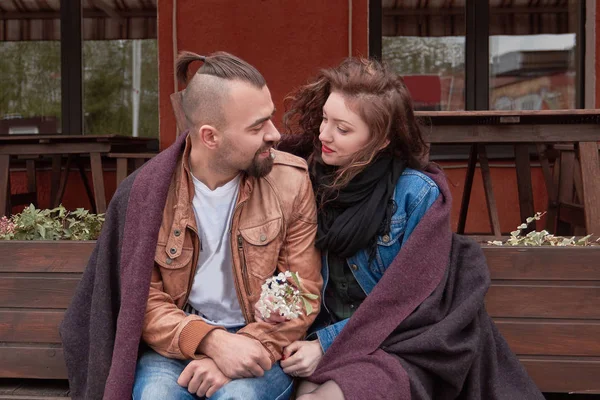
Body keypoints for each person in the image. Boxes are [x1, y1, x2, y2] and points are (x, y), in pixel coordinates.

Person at [264, 58, 545, 400]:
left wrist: (325, 345)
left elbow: (410, 305)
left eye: (343, 128)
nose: (324, 135)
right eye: (325, 119)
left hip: (398, 347)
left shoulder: (415, 195)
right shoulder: (302, 179)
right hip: (324, 344)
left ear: (380, 140)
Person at [60, 51, 322, 400]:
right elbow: (142, 299)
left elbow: (303, 292)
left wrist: (241, 347)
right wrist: (210, 341)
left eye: (269, 118)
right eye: (257, 126)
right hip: (177, 343)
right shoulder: (148, 192)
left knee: (237, 398)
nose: (274, 134)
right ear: (210, 137)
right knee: (156, 396)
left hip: (264, 343)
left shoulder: (290, 183)